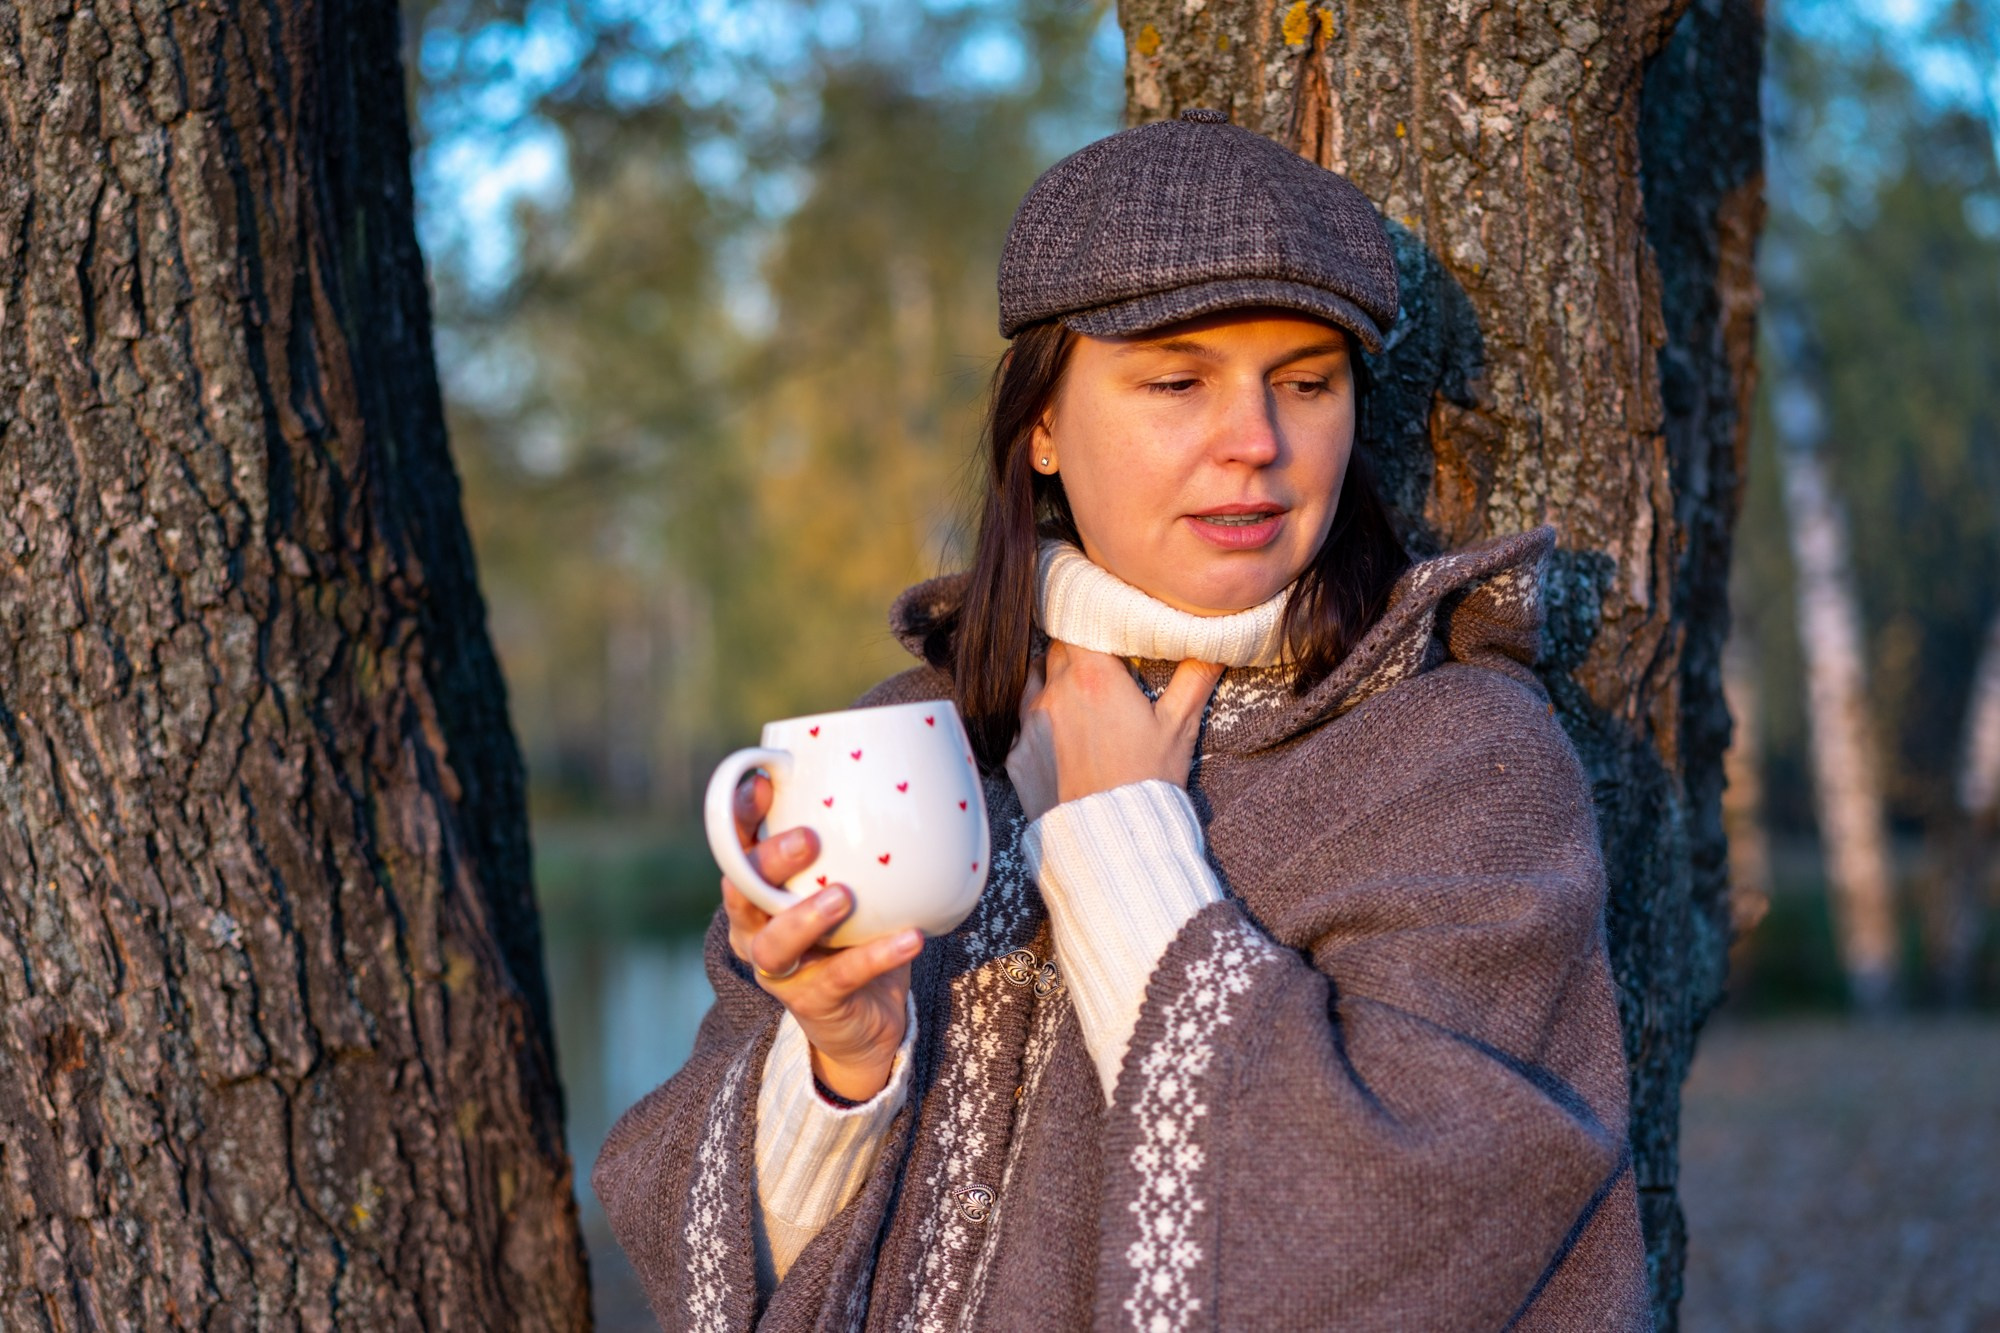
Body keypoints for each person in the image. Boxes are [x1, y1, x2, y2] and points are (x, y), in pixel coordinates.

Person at [594, 107, 1652, 1332]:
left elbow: (1440, 1225)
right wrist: (841, 1062)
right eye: (1174, 381)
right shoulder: (906, 744)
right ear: (1040, 424)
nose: (1253, 443)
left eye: (1304, 383)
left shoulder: (1458, 760)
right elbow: (695, 1261)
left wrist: (1117, 838)